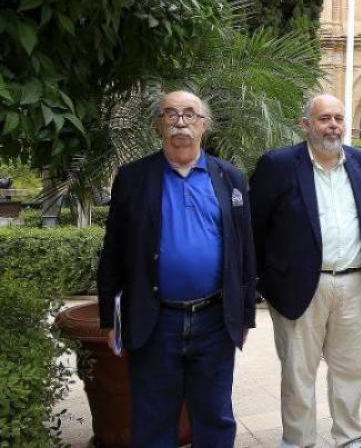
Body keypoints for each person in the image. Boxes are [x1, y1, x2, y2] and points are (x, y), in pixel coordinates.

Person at [97, 90, 255, 447]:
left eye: (189, 114)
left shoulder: (230, 178)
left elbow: (245, 253)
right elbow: (113, 251)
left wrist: (244, 315)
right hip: (155, 321)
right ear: (158, 125)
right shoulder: (133, 178)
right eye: (170, 114)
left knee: (214, 417)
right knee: (153, 419)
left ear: (204, 126)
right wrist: (109, 318)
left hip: (214, 320)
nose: (180, 122)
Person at [250, 94, 361, 448]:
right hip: (298, 287)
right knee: (298, 375)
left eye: (338, 118)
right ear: (306, 124)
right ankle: (297, 442)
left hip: (354, 283)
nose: (334, 125)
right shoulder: (277, 165)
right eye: (325, 118)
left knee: (351, 371)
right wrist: (266, 282)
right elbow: (254, 228)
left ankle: (350, 439)